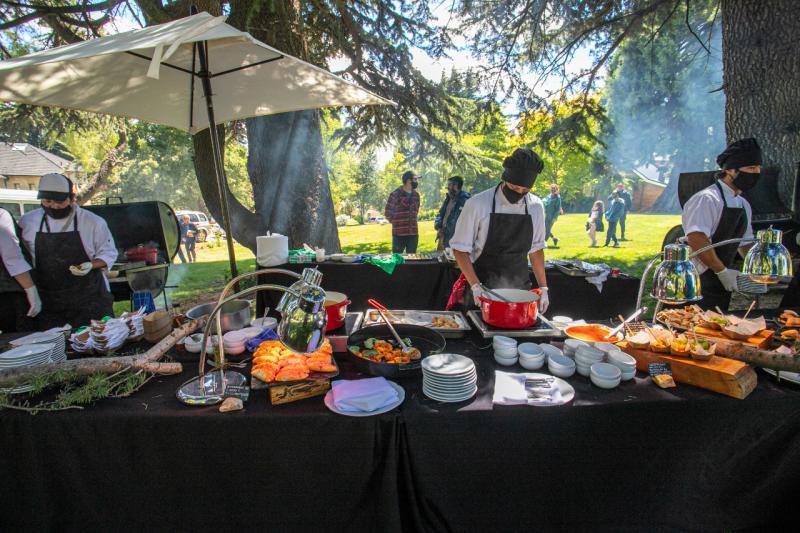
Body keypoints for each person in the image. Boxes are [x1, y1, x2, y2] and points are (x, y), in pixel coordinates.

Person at [448, 148, 550, 314]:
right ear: (505, 178)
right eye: (514, 187)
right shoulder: (478, 204)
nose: (519, 192)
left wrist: (543, 288)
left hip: (519, 291)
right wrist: (475, 286)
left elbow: (536, 249)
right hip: (482, 289)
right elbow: (460, 249)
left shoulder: (535, 206)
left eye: (525, 190)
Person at [19, 173, 118, 329]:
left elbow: (108, 253)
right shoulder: (28, 222)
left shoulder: (92, 222)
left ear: (72, 198)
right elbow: (20, 259)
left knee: (98, 339)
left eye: (60, 201)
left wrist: (90, 265)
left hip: (89, 298)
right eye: (47, 201)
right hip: (49, 300)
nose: (54, 206)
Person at [681, 138, 760, 311]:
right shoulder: (707, 199)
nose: (757, 173)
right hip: (696, 279)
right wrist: (722, 272)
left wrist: (760, 270)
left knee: (717, 323)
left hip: (720, 281)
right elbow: (697, 238)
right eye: (751, 168)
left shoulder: (743, 204)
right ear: (731, 170)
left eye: (758, 168)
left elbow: (745, 243)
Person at [0, 207, 41, 332]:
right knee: (19, 337)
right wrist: (31, 290)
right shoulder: (1, 215)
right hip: (10, 293)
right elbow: (12, 258)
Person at [384, 170, 421, 253]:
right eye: (415, 179)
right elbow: (387, 213)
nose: (416, 182)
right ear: (408, 181)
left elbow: (416, 212)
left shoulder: (416, 195)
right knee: (397, 259)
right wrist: (398, 223)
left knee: (412, 259)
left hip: (413, 234)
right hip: (398, 235)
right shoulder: (395, 195)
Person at [434, 176, 471, 250]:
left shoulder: (464, 200)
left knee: (451, 256)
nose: (448, 187)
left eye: (450, 185)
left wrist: (444, 230)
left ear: (456, 185)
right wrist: (438, 226)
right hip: (444, 236)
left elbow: (456, 220)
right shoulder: (448, 198)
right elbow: (440, 214)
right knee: (441, 255)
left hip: (455, 239)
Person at [543, 183, 563, 247]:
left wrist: (555, 218)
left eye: (554, 188)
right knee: (545, 228)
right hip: (545, 215)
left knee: (547, 229)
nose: (552, 189)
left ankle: (544, 242)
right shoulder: (548, 196)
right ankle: (554, 239)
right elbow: (545, 202)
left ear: (556, 189)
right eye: (552, 188)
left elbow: (557, 209)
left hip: (551, 217)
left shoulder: (558, 197)